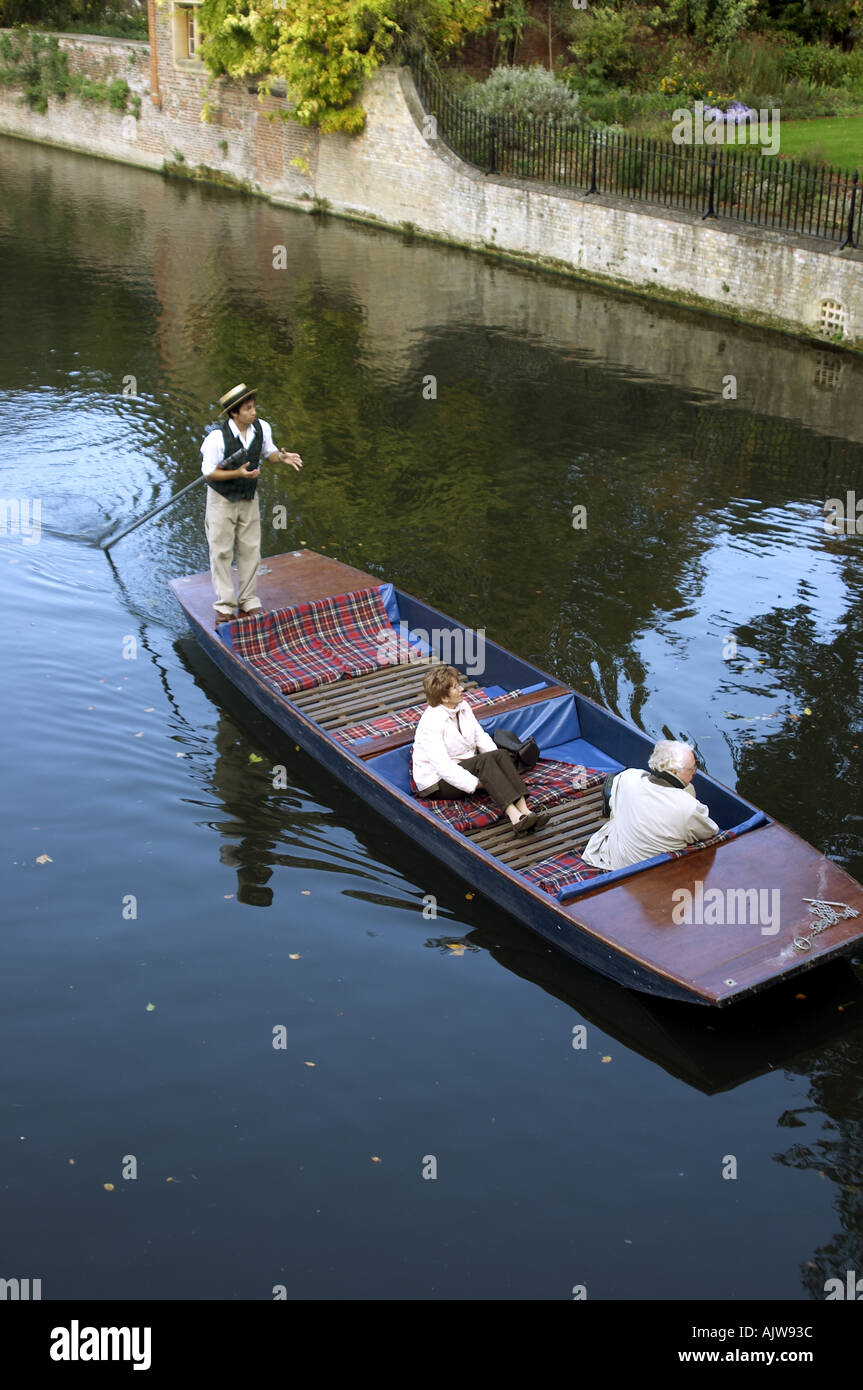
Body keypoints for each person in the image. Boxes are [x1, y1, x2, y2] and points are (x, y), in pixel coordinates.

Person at [201, 383, 303, 625]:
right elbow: (209, 473)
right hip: (222, 500)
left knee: (250, 549)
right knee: (222, 551)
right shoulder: (216, 439)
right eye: (248, 408)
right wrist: (237, 473)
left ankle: (248, 599)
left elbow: (269, 453)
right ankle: (225, 604)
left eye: (253, 407)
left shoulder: (262, 428)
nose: (253, 412)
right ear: (234, 413)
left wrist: (282, 457)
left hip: (248, 496)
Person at [412, 666, 550, 834]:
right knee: (485, 763)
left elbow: (480, 735)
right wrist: (477, 784)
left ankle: (526, 812)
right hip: (437, 782)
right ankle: (516, 819)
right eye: (455, 687)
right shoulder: (431, 722)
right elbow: (443, 766)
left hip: (465, 766)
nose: (462, 689)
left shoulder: (463, 707)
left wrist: (497, 761)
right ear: (443, 697)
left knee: (499, 754)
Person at [581, 739, 719, 871]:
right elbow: (710, 832)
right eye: (692, 768)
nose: (695, 771)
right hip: (655, 872)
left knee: (615, 786)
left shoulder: (628, 777)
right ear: (675, 772)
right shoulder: (688, 806)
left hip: (617, 863)